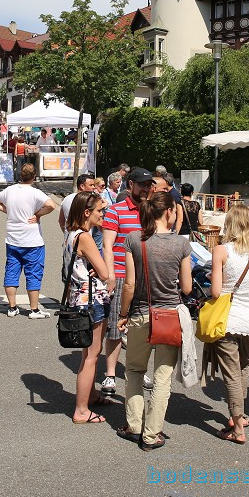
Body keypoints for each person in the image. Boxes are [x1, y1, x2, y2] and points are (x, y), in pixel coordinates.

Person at [116, 191, 193, 450]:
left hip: (139, 313)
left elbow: (129, 284)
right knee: (162, 377)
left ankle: (134, 425)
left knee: (135, 370)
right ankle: (152, 433)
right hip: (169, 316)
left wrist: (123, 314)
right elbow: (187, 287)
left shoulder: (133, 240)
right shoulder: (181, 244)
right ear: (169, 212)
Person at [208, 205, 249, 444]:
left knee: (231, 374)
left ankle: (237, 428)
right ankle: (240, 415)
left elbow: (215, 292)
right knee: (243, 368)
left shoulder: (222, 250)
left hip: (228, 319)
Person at [99, 167, 154, 396]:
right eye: (142, 184)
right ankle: (110, 374)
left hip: (147, 277)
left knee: (143, 328)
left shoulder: (153, 212)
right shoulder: (115, 211)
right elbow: (108, 246)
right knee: (115, 326)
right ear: (129, 185)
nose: (146, 189)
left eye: (149, 185)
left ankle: (138, 371)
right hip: (121, 276)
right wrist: (110, 275)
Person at [63, 191, 117, 423]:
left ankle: (91, 395)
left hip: (78, 297)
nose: (102, 214)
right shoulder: (85, 237)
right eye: (99, 211)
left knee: (88, 353)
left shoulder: (71, 233)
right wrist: (102, 267)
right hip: (91, 299)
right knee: (91, 356)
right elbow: (105, 273)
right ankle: (82, 410)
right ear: (87, 213)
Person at [0, 163, 55, 319]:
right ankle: (33, 309)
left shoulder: (10, 190)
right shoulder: (35, 192)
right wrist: (38, 214)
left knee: (12, 272)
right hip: (32, 239)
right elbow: (51, 205)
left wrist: (7, 210)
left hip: (13, 238)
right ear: (34, 177)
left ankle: (12, 307)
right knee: (33, 273)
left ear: (20, 175)